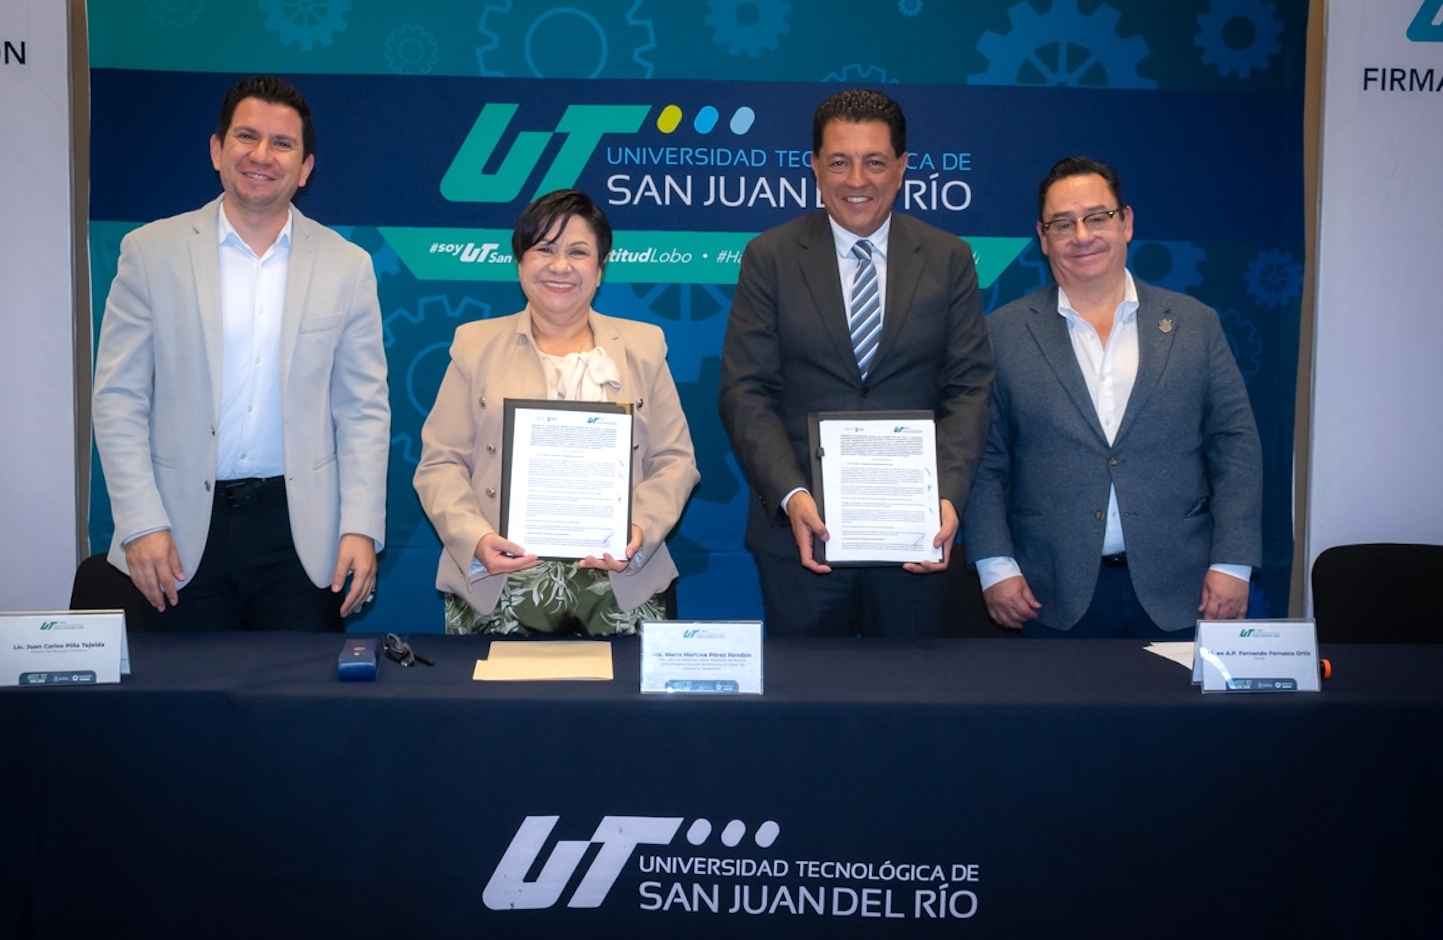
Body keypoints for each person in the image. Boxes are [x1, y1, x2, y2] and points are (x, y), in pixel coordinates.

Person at [92, 75, 390, 631]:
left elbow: (363, 410)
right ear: (216, 149)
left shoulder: (347, 266)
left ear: (305, 168)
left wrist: (360, 527)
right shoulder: (150, 253)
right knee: (184, 688)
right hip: (178, 533)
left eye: (283, 144)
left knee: (300, 688)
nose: (261, 155)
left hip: (303, 541)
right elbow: (118, 399)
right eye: (247, 136)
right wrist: (140, 521)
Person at [718, 89, 994, 637]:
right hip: (802, 537)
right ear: (815, 167)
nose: (856, 180)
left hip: (915, 534)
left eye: (875, 162)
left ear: (902, 167)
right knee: (805, 690)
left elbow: (969, 390)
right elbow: (745, 391)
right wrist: (792, 495)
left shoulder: (949, 258)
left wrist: (946, 497)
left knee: (912, 688)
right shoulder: (770, 257)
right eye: (839, 162)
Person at [964, 156, 1261, 638]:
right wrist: (995, 566)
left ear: (1126, 222)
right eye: (1063, 224)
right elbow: (984, 459)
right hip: (1047, 592)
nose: (1082, 236)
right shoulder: (1003, 333)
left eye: (1097, 217)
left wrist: (1233, 563)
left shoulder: (1194, 324)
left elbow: (1235, 448)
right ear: (1043, 237)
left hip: (1183, 589)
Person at [414, 189, 699, 635]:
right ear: (520, 263)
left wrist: (640, 530)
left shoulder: (644, 347)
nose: (560, 266)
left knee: (621, 685)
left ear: (600, 269)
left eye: (578, 252)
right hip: (499, 583)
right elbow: (440, 464)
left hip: (621, 583)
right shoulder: (475, 345)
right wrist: (476, 539)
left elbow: (674, 461)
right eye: (544, 249)